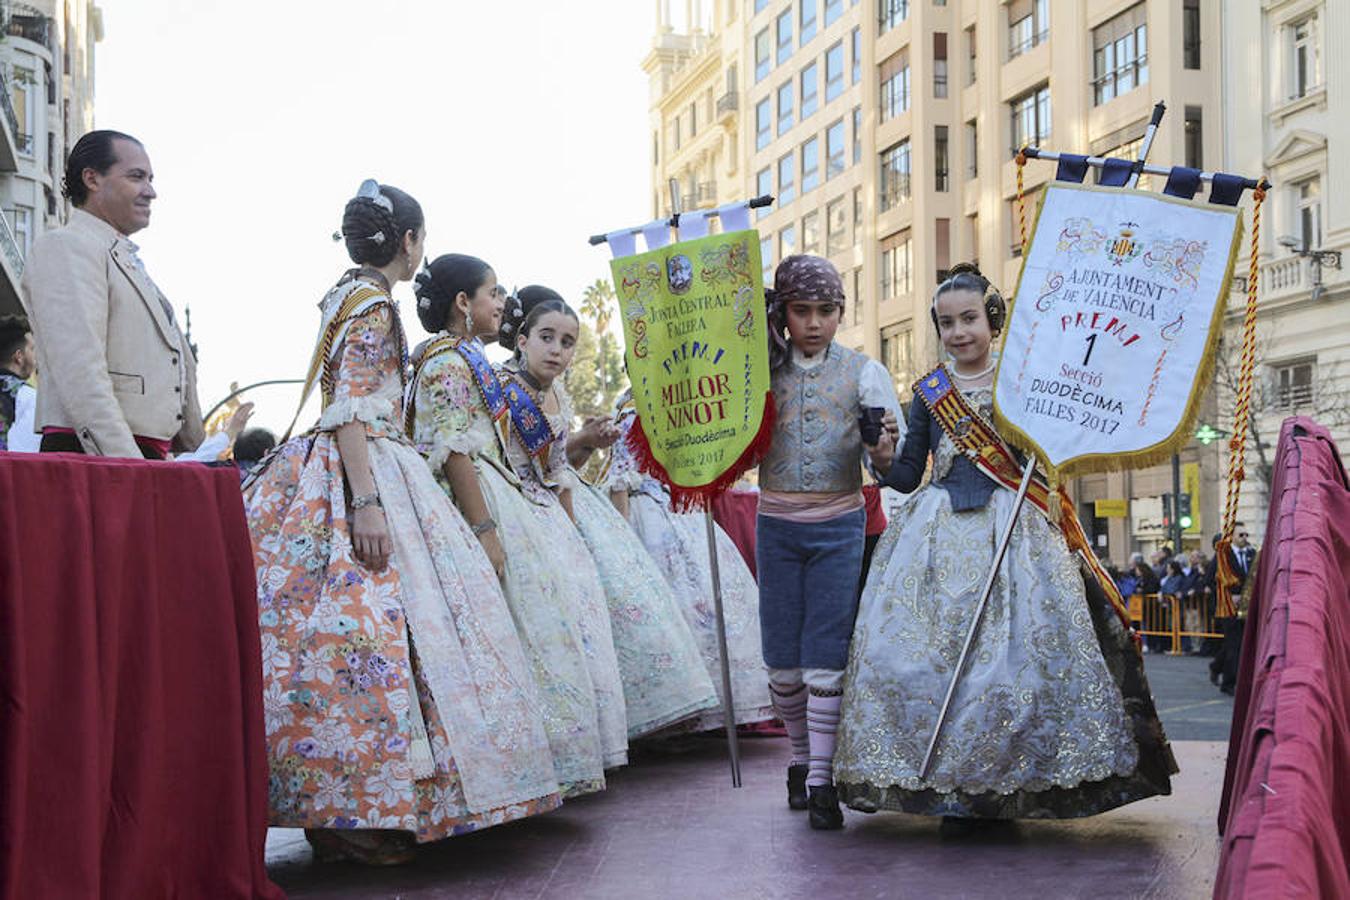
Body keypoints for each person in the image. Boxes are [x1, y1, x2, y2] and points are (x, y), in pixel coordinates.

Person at [243, 183, 559, 866]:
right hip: (368, 469)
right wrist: (366, 501)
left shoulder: (343, 292)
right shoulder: (375, 303)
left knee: (340, 641)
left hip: (353, 466)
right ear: (409, 241)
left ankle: (355, 809)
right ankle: (363, 813)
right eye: (422, 237)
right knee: (381, 635)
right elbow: (351, 407)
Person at [834, 264, 1175, 837]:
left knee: (1014, 668)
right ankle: (949, 793)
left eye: (968, 318)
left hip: (1015, 535)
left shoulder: (1026, 384)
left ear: (992, 320)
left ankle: (1008, 791)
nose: (958, 332)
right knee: (924, 666)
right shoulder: (929, 393)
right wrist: (885, 456)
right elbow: (909, 475)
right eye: (946, 323)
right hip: (935, 542)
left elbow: (1054, 455)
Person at [406, 261, 628, 794]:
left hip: (508, 498)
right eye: (493, 292)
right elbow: (457, 448)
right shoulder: (448, 363)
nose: (501, 301)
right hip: (481, 503)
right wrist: (484, 528)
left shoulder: (462, 360)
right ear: (464, 303)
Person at [755, 254, 904, 830]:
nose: (814, 322)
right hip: (777, 523)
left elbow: (890, 465)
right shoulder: (759, 371)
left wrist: (884, 450)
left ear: (842, 312)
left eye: (826, 310)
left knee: (826, 653)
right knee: (782, 659)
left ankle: (821, 779)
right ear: (783, 313)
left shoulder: (866, 373)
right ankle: (798, 759)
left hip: (840, 523)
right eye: (802, 310)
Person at [494, 286, 630, 776]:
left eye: (568, 342)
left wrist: (588, 444)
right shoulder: (500, 386)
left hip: (554, 507)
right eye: (547, 337)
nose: (557, 349)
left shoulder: (557, 393)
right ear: (522, 340)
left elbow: (561, 466)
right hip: (514, 505)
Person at [21, 130, 203, 459]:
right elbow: (80, 371)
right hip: (98, 460)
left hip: (138, 459)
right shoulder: (66, 246)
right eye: (136, 177)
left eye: (150, 178)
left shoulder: (122, 258)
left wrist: (195, 451)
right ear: (91, 178)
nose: (151, 191)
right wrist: (128, 465)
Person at [606, 391, 774, 735]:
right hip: (669, 515)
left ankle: (696, 711)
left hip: (673, 513)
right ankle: (689, 711)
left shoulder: (642, 412)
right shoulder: (639, 414)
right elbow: (621, 481)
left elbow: (621, 481)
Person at [1211, 523, 1258, 694]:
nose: (1245, 538)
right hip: (1229, 607)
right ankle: (1229, 683)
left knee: (1240, 644)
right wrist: (1229, 593)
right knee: (1235, 645)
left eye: (1246, 535)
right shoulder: (1223, 555)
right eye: (1241, 535)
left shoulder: (1251, 554)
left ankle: (1217, 667)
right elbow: (1213, 578)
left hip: (1248, 606)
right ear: (1232, 537)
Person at [0, 314, 38, 452]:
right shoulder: (27, 396)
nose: (35, 357)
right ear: (19, 357)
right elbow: (27, 453)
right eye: (32, 349)